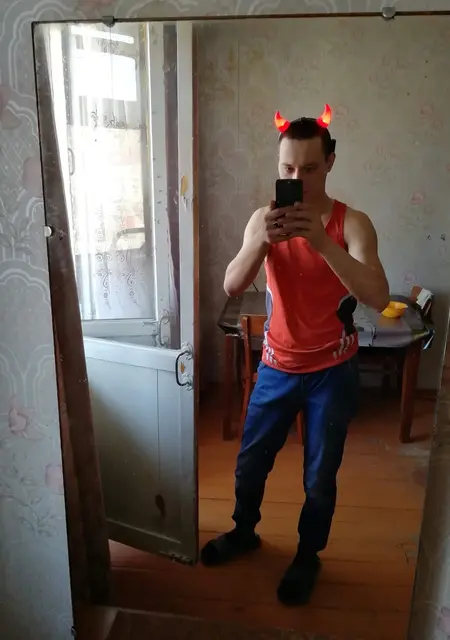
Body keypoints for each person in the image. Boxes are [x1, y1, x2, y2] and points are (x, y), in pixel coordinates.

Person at [200, 107, 390, 606]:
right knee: (249, 464)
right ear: (278, 165)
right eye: (288, 168)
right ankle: (245, 531)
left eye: (309, 168)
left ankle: (308, 555)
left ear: (330, 163)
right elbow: (231, 285)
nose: (297, 179)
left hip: (333, 370)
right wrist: (261, 243)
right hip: (276, 366)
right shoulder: (262, 220)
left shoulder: (353, 223)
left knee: (320, 476)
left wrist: (322, 242)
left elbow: (376, 294)